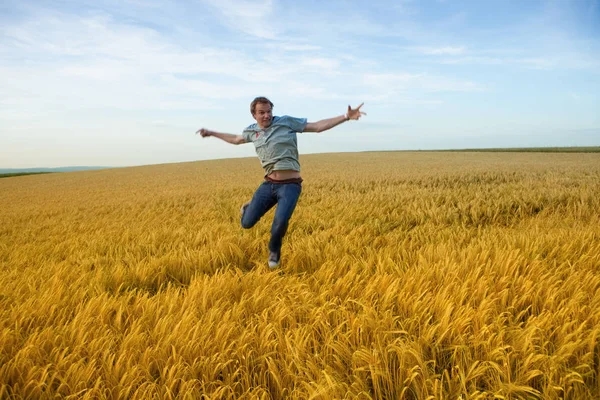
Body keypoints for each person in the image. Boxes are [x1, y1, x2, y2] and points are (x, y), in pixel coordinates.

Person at [196, 97, 366, 268]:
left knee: (281, 221)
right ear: (254, 115)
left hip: (290, 185)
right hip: (269, 185)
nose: (266, 115)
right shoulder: (252, 132)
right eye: (261, 113)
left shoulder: (286, 122)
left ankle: (274, 250)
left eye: (269, 111)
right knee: (246, 223)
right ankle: (249, 208)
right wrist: (211, 133)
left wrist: (345, 117)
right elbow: (235, 139)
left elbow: (317, 127)